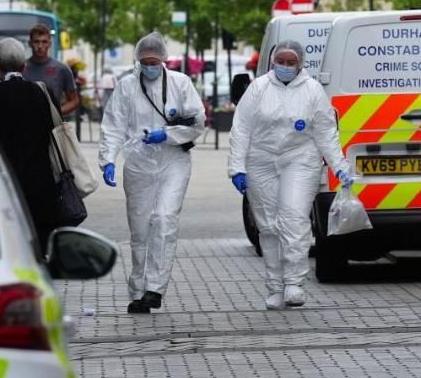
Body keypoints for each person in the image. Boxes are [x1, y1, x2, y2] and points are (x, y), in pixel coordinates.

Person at [228, 40, 353, 310]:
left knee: (294, 218)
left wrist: (339, 165)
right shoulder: (258, 89)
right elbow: (241, 129)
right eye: (280, 61)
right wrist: (236, 167)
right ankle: (275, 286)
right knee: (268, 225)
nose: (284, 67)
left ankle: (294, 282)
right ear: (273, 61)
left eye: (290, 62)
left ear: (300, 64)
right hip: (260, 160)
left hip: (300, 159)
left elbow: (325, 132)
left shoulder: (312, 91)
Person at [99, 32, 205, 314]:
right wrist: (108, 158)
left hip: (173, 161)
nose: (150, 66)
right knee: (140, 228)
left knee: (165, 219)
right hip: (138, 163)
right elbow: (113, 125)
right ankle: (138, 291)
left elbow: (198, 121)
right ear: (138, 61)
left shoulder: (181, 84)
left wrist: (168, 134)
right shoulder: (127, 87)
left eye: (154, 61)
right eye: (145, 62)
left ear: (163, 60)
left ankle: (155, 287)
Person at [0, 38, 58, 254]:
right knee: (39, 253)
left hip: (5, 187)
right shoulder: (42, 93)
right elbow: (52, 132)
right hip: (41, 188)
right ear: (24, 66)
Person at [22, 23, 79, 117]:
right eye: (36, 41)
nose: (40, 46)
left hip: (53, 128)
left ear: (49, 44)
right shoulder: (20, 68)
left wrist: (56, 113)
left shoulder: (62, 69)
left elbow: (74, 101)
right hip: (25, 125)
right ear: (30, 43)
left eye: (44, 42)